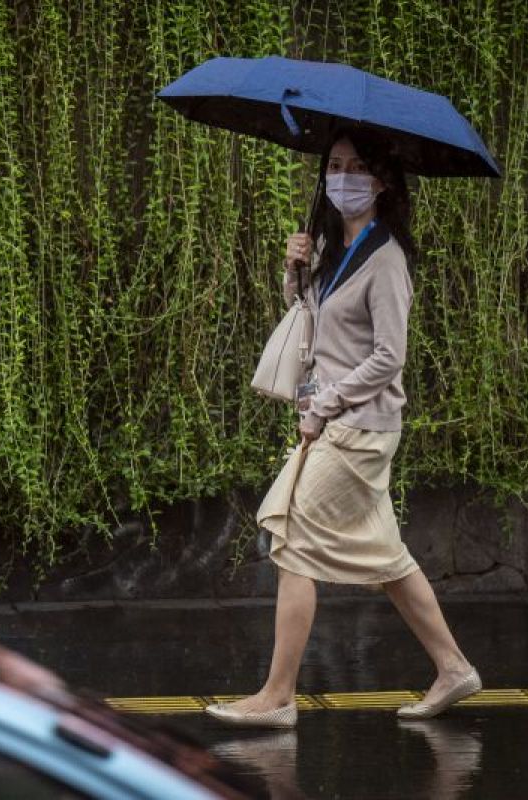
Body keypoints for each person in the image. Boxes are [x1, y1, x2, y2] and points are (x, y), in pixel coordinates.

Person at [206, 127, 481, 728]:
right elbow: (314, 322)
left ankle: (278, 696)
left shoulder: (386, 261)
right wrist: (294, 271)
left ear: (381, 181)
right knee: (389, 557)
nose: (342, 176)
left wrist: (326, 400)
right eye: (334, 164)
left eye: (357, 166)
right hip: (337, 422)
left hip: (359, 427)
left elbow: (389, 356)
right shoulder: (335, 250)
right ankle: (455, 668)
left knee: (294, 535)